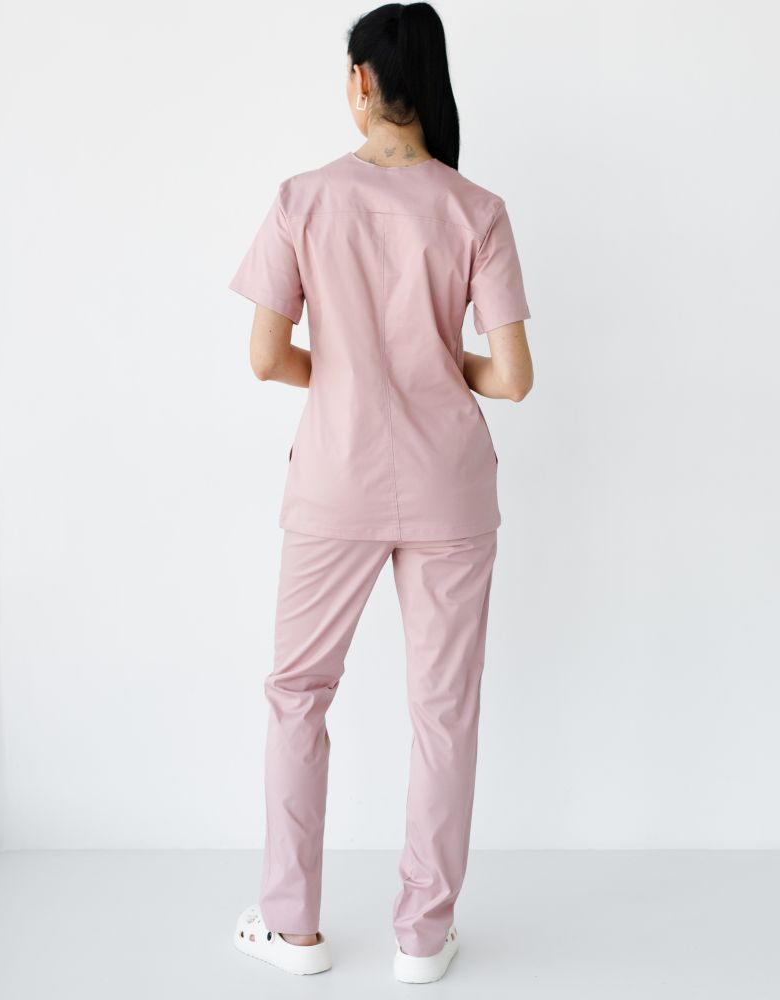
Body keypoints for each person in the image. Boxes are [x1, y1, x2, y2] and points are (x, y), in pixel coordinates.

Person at [228, 1, 533, 983]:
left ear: (361, 81)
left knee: (297, 694)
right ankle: (420, 939)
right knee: (443, 713)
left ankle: (292, 929)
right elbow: (512, 378)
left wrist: (357, 370)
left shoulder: (303, 198)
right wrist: (432, 366)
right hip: (451, 490)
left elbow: (266, 358)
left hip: (335, 482)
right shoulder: (477, 209)